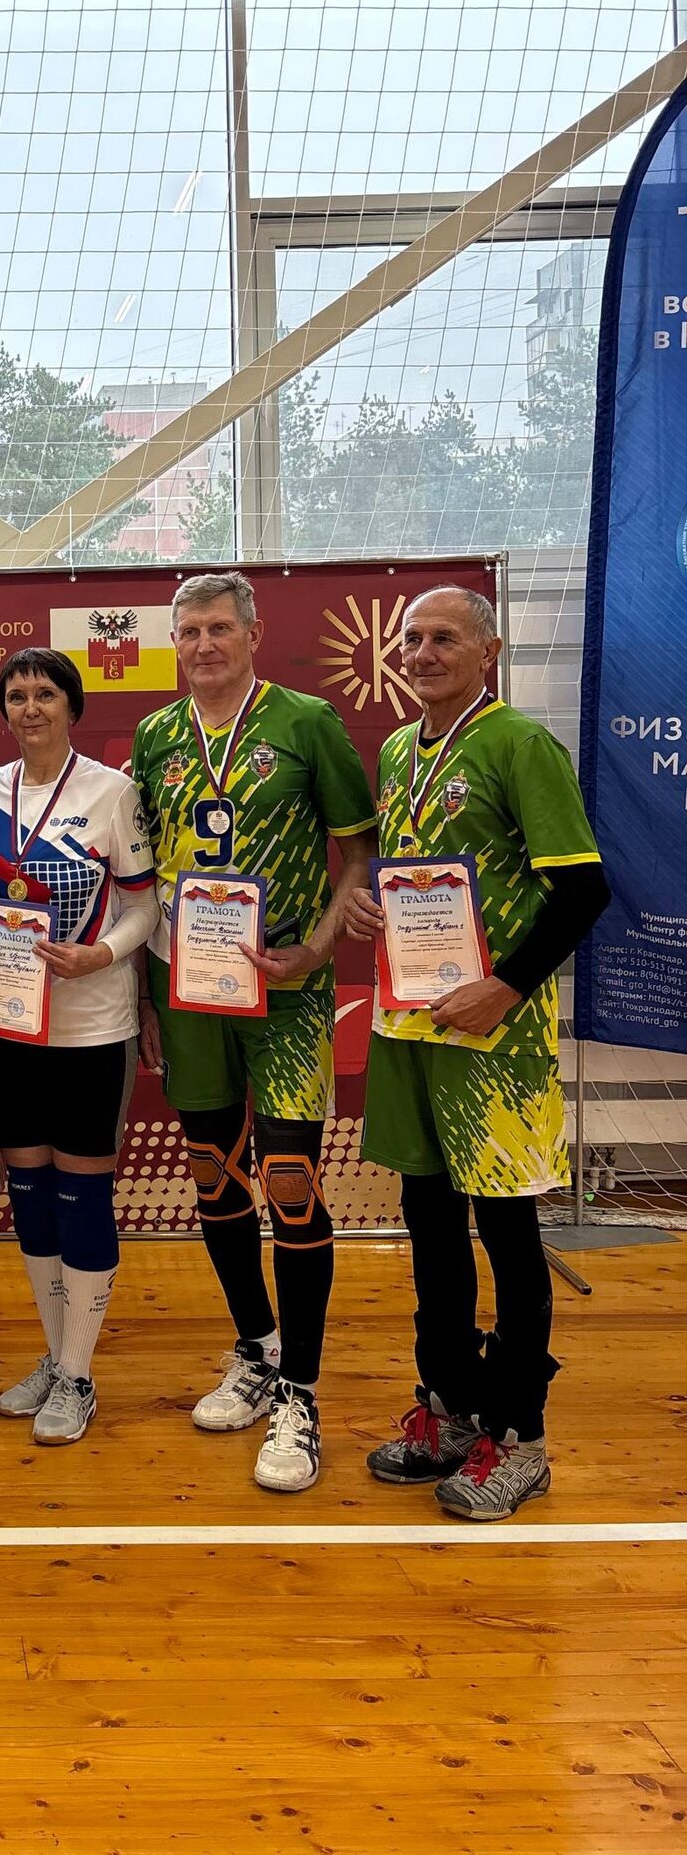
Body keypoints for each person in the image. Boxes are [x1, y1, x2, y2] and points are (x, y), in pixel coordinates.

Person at [349, 587, 608, 1520]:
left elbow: (582, 891)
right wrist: (373, 904)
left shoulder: (520, 744)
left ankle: (521, 1434)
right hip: (408, 1024)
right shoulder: (397, 749)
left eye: (444, 638)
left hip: (494, 1038)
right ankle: (453, 1405)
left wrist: (505, 985)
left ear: (488, 651)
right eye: (411, 639)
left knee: (506, 1234)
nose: (422, 653)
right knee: (427, 1225)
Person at [131, 571, 377, 1493]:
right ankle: (257, 1350)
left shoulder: (307, 722)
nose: (203, 645)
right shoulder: (156, 735)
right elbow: (143, 875)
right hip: (187, 988)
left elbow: (361, 854)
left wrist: (318, 948)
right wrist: (148, 997)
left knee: (292, 1186)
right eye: (189, 631)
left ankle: (302, 1396)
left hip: (287, 988)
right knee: (212, 1175)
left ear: (254, 634)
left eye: (219, 629)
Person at [0, 648, 159, 1445]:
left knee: (82, 1198)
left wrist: (101, 954)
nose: (31, 708)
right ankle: (56, 1356)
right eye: (16, 696)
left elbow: (146, 908)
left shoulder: (113, 793)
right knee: (30, 1195)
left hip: (90, 1028)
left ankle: (79, 1374)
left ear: (73, 707)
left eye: (45, 693)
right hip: (8, 1030)